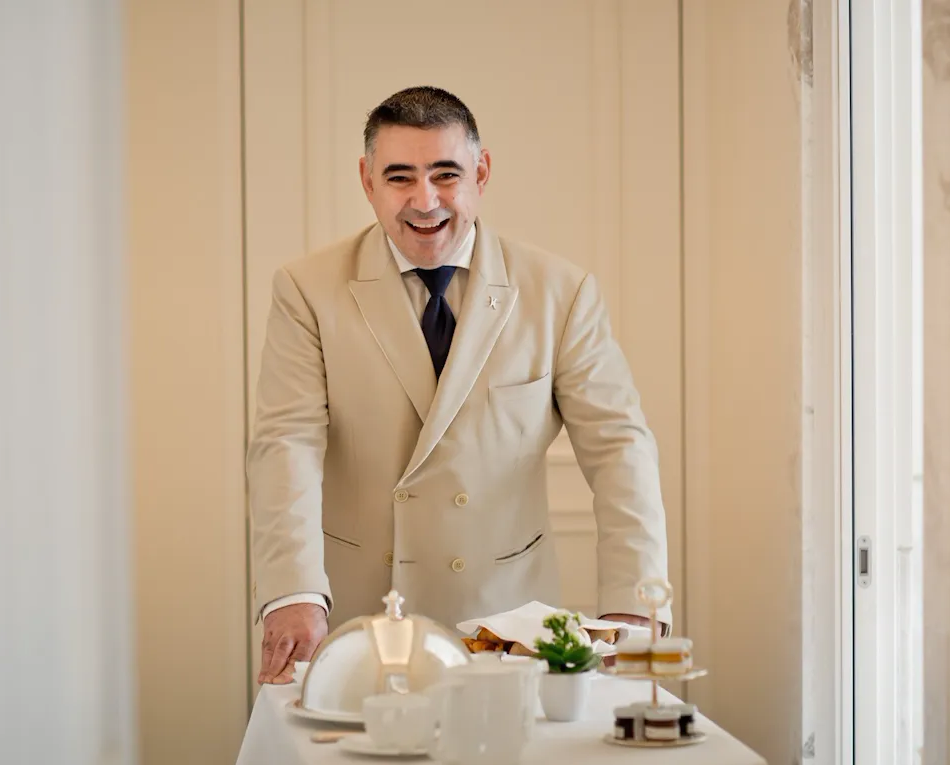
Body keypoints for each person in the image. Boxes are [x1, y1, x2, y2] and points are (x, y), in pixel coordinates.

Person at [249, 86, 670, 685]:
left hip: (508, 619)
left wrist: (634, 600)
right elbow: (285, 442)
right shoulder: (307, 289)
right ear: (367, 182)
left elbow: (619, 446)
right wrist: (292, 588)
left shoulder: (560, 291)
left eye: (445, 174)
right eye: (399, 178)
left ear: (482, 171)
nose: (425, 201)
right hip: (359, 620)